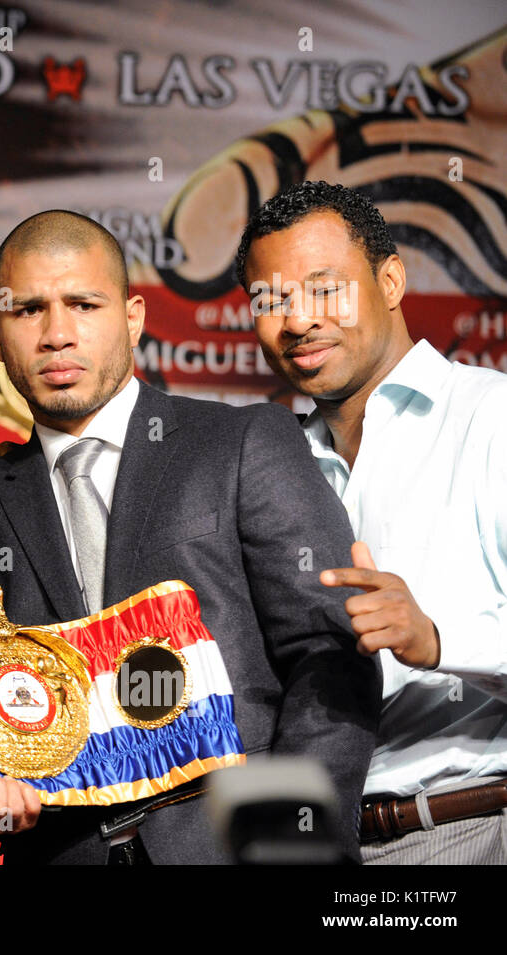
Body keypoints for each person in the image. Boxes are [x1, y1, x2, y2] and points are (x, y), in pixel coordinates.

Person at [0, 210, 381, 864]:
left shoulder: (244, 443)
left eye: (83, 303)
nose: (56, 334)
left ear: (133, 317)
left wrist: (290, 845)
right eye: (28, 311)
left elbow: (329, 655)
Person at [238, 180, 507, 864]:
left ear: (390, 281)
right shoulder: (266, 463)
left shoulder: (492, 419)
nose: (297, 320)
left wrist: (437, 638)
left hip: (464, 827)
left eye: (324, 288)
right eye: (270, 301)